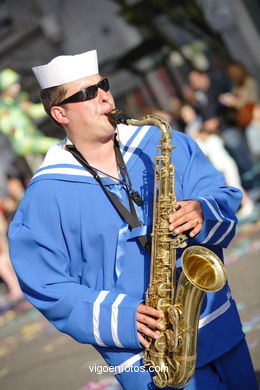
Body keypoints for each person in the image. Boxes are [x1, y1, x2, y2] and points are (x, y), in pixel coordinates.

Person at [8, 50, 257, 390]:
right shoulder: (44, 197)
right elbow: (46, 285)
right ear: (60, 113)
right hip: (148, 357)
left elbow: (218, 191)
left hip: (216, 322)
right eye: (86, 94)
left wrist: (201, 208)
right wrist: (122, 316)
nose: (104, 97)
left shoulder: (158, 142)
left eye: (103, 86)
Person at [0, 67, 60, 172]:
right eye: (13, 85)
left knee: (46, 166)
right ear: (6, 88)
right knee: (58, 146)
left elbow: (33, 111)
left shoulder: (19, 100)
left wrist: (51, 106)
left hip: (33, 137)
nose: (17, 87)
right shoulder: (3, 106)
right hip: (25, 141)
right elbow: (6, 126)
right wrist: (14, 130)